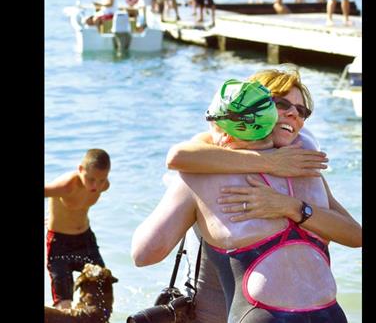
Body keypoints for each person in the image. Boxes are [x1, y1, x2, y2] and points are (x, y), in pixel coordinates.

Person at [133, 70, 362, 322]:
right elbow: (181, 155)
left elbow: (145, 253)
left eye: (302, 110)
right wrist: (269, 162)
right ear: (256, 105)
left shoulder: (303, 166)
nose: (294, 114)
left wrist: (290, 207)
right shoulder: (205, 159)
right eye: (282, 104)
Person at [45, 149, 111, 310]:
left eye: (102, 180)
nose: (96, 186)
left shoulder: (104, 185)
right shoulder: (68, 185)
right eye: (91, 179)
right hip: (59, 243)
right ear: (80, 169)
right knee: (64, 301)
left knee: (102, 287)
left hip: (85, 240)